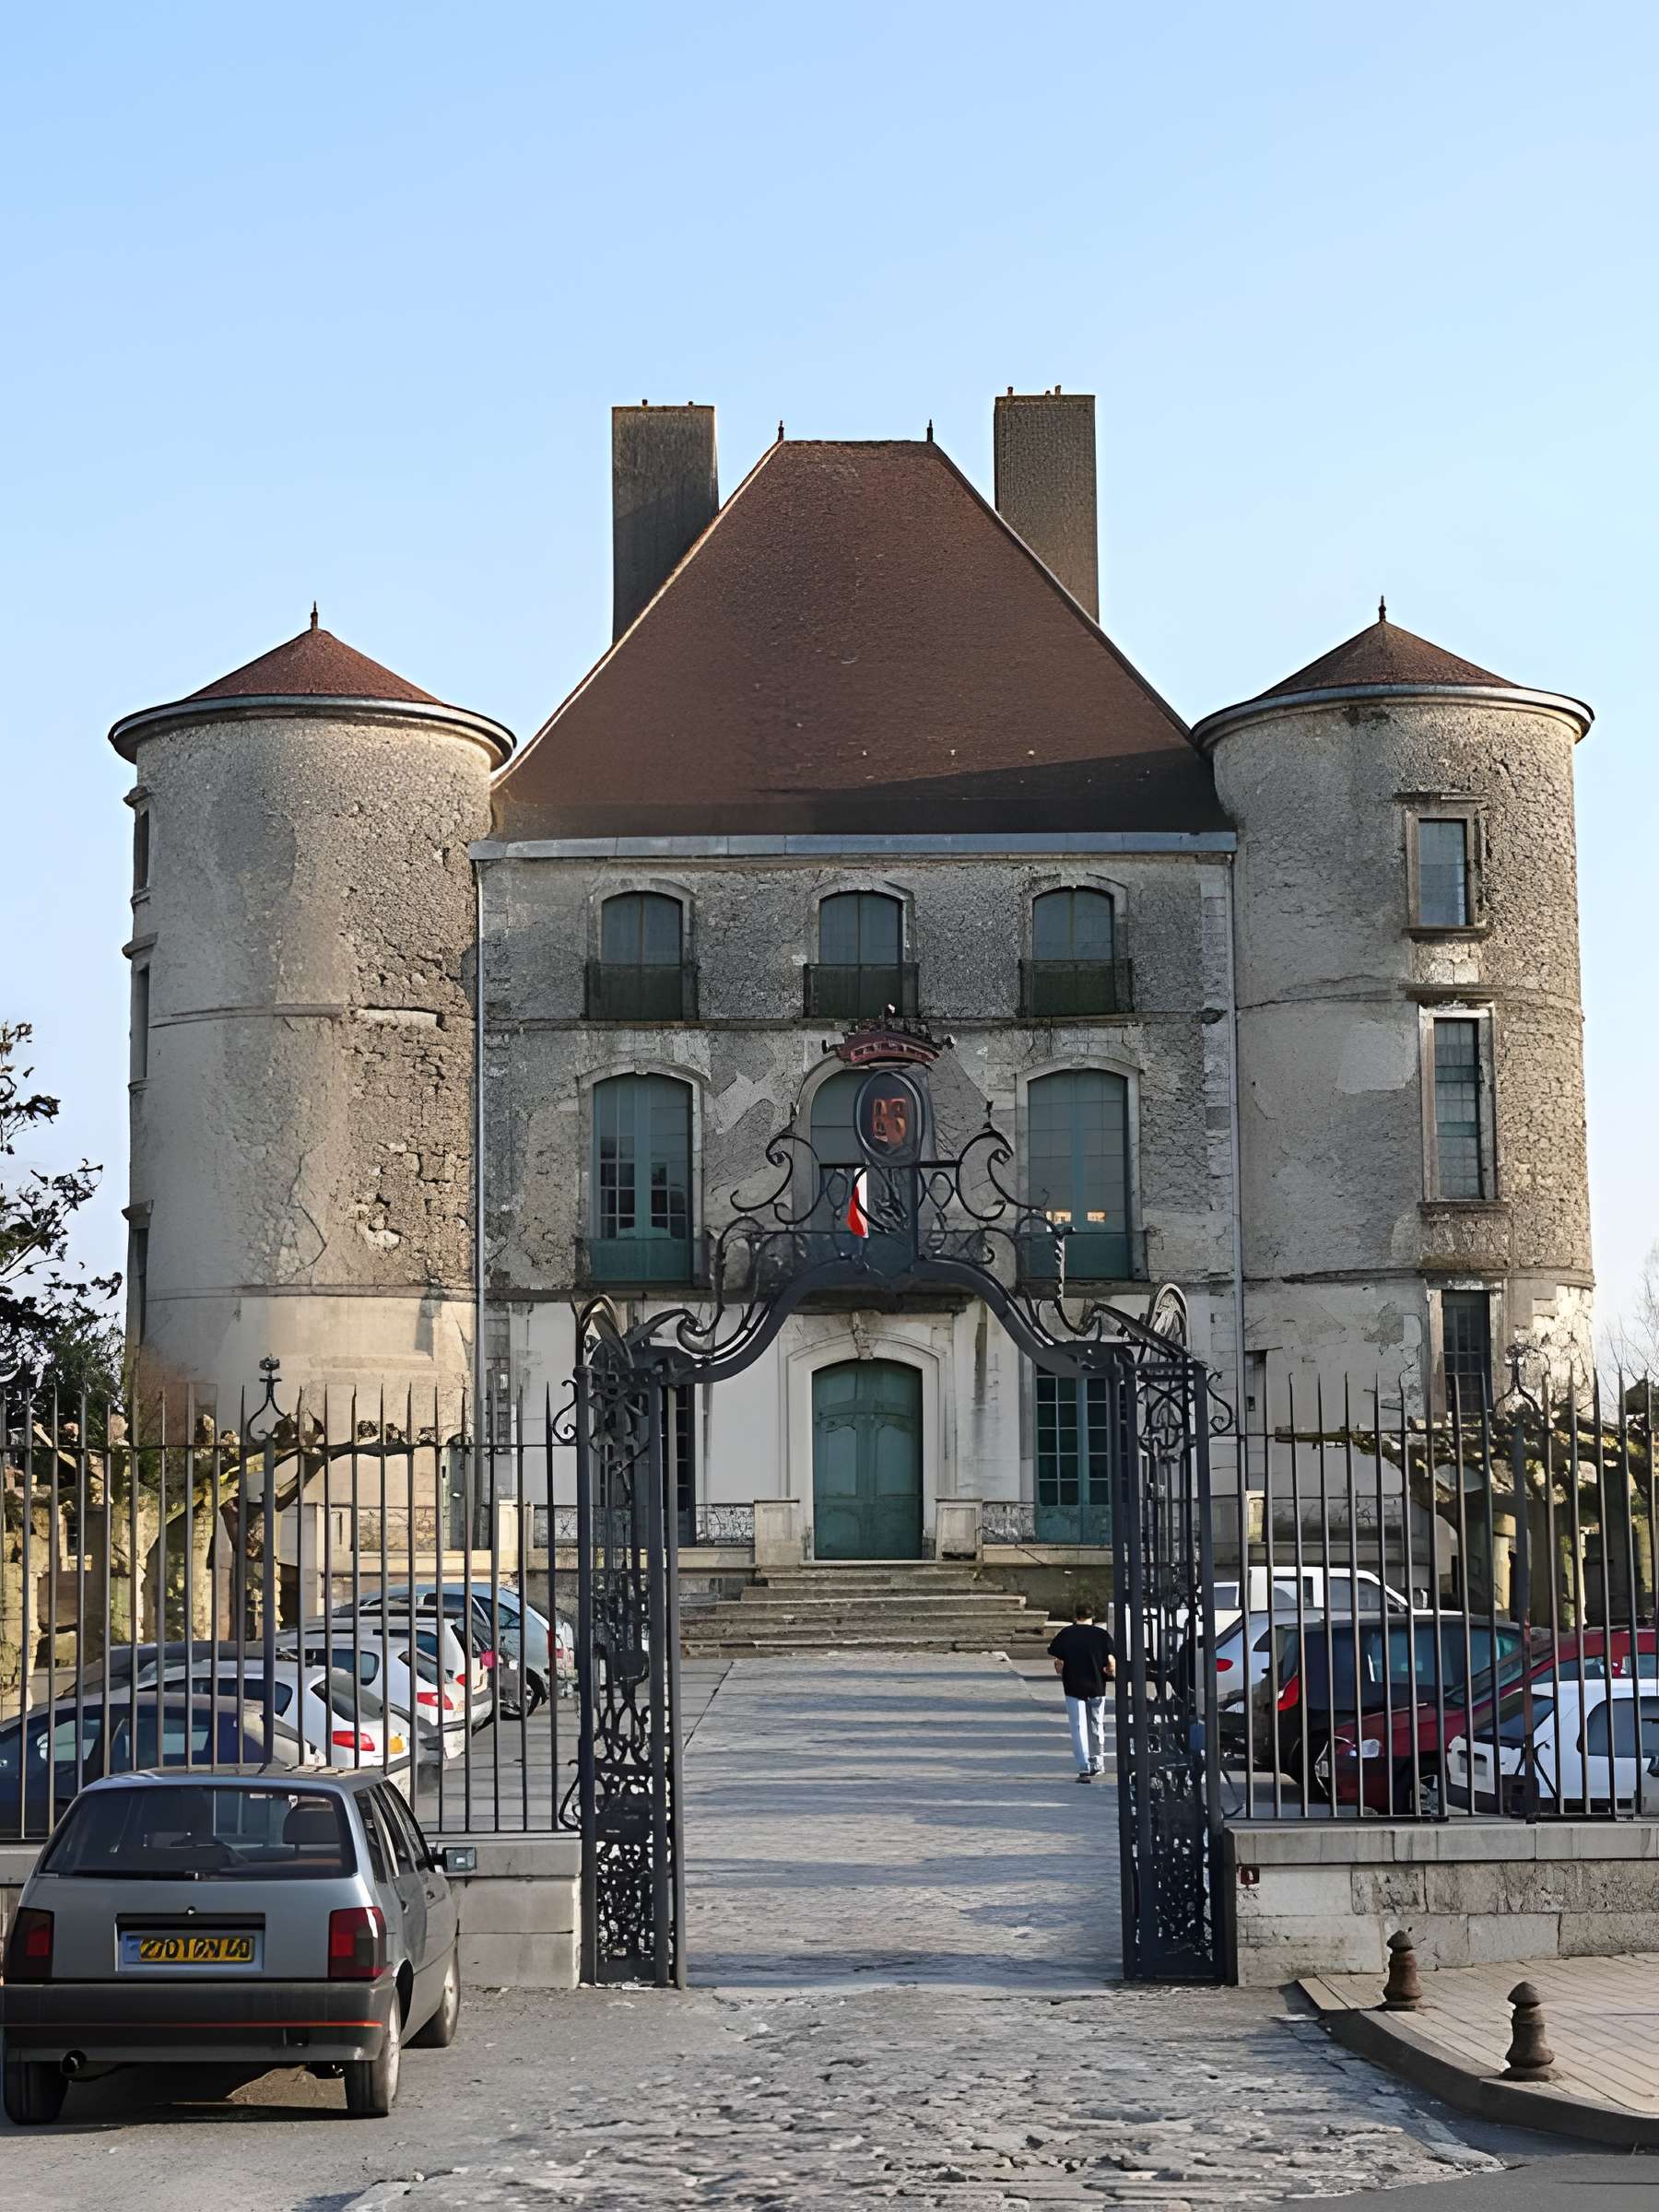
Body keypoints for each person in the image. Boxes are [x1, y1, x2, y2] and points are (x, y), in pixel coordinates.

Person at [1048, 1599, 1116, 1782]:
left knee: (1078, 1727)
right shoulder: (1102, 1635)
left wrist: (1062, 1670)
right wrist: (1110, 1673)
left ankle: (1084, 1767)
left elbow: (1058, 1663)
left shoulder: (1066, 1634)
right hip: (1097, 1686)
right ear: (1092, 1616)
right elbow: (1111, 1662)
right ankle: (1098, 1763)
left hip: (1073, 1686)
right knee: (1097, 1725)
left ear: (1075, 1616)